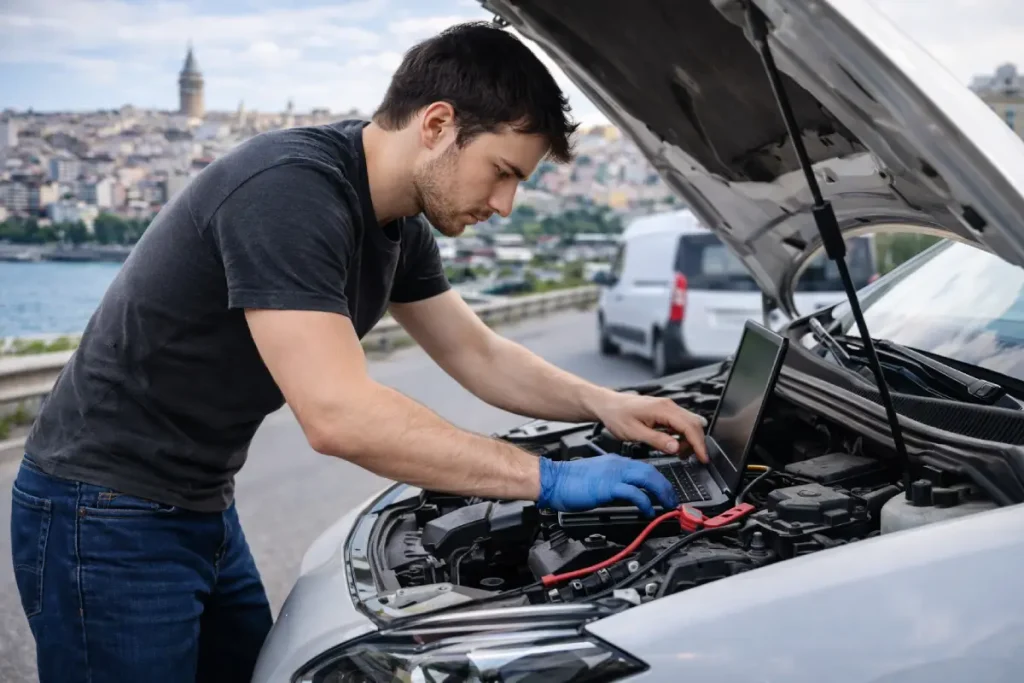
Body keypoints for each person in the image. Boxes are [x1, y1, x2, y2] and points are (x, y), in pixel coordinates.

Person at [9, 21, 708, 683]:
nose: (505, 205)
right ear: (437, 126)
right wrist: (549, 479)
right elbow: (340, 415)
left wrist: (607, 404)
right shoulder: (290, 192)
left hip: (199, 501)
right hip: (102, 511)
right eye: (502, 172)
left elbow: (477, 352)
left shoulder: (399, 222)